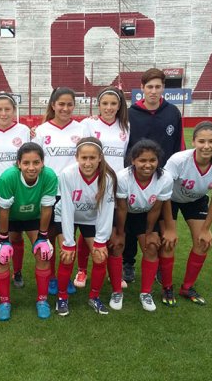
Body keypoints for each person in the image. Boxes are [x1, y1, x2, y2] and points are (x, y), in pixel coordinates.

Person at [123, 68, 184, 284]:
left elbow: (179, 146)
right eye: (149, 87)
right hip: (134, 179)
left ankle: (157, 265)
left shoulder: (172, 112)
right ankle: (127, 263)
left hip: (162, 181)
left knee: (158, 223)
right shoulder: (130, 114)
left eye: (158, 87)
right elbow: (124, 145)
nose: (153, 91)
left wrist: (176, 175)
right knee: (129, 223)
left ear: (163, 88)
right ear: (142, 88)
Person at [160, 121, 212, 306]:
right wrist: (169, 227)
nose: (206, 146)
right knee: (168, 242)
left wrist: (206, 229)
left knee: (203, 242)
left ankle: (186, 287)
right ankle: (167, 287)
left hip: (196, 200)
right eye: (201, 141)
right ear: (193, 142)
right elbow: (163, 193)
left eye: (211, 141)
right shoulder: (178, 160)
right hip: (169, 199)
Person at [0, 142, 58, 320]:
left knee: (43, 253)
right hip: (9, 217)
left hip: (34, 217)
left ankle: (42, 300)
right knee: (2, 256)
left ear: (43, 163)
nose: (31, 167)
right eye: (26, 163)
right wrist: (3, 240)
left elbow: (46, 208)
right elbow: (4, 210)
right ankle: (4, 301)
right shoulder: (8, 177)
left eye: (36, 162)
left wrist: (43, 236)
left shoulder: (50, 176)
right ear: (18, 163)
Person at [54, 137, 117, 316]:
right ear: (77, 157)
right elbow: (66, 208)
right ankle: (62, 297)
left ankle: (94, 297)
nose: (88, 163)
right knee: (67, 256)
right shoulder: (67, 175)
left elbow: (106, 211)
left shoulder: (107, 178)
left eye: (92, 158)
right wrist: (68, 241)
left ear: (100, 158)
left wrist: (100, 241)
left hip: (90, 219)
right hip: (66, 217)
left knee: (99, 256)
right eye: (84, 158)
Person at [76, 86, 129, 288]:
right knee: (88, 227)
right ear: (98, 105)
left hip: (116, 185)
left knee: (112, 228)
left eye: (113, 103)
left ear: (119, 105)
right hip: (93, 182)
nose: (109, 107)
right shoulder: (88, 124)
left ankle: (113, 270)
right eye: (105, 103)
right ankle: (82, 270)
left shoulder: (126, 127)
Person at [112, 139, 174, 312]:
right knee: (116, 245)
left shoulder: (165, 178)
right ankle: (116, 290)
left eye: (152, 160)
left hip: (145, 215)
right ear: (133, 161)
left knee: (152, 246)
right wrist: (120, 231)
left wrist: (149, 232)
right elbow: (122, 207)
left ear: (158, 161)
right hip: (123, 214)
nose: (148, 165)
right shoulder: (123, 177)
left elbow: (156, 208)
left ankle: (145, 292)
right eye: (142, 160)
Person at [33, 87, 82, 296]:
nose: (65, 108)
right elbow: (35, 162)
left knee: (69, 236)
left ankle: (66, 276)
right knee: (49, 235)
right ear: (53, 105)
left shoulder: (81, 130)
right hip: (48, 192)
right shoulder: (42, 131)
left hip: (72, 192)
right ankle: (52, 277)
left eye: (69, 104)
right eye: (61, 104)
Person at [0, 92, 31, 289]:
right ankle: (0, 270)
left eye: (7, 109)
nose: (3, 113)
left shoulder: (24, 130)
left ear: (14, 111)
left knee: (16, 236)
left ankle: (17, 272)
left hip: (18, 190)